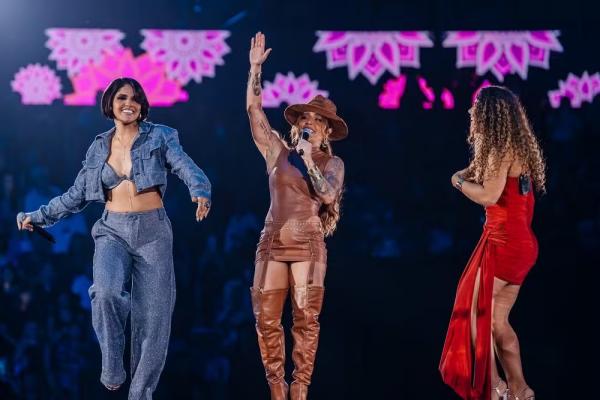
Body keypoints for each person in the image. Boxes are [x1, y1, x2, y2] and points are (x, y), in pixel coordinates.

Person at [16, 77, 211, 399]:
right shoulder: (98, 146)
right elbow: (76, 195)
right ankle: (112, 364)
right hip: (112, 230)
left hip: (153, 232)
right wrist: (37, 217)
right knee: (105, 292)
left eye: (135, 98)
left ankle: (140, 394)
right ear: (111, 103)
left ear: (142, 104)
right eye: (122, 97)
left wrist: (200, 190)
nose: (128, 103)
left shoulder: (160, 136)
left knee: (155, 318)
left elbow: (183, 164)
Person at [246, 32, 346, 400]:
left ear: (326, 131)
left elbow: (328, 193)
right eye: (304, 116)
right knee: (265, 318)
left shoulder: (330, 162)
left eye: (316, 120)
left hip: (307, 242)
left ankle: (300, 387)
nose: (308, 121)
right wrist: (255, 69)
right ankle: (277, 387)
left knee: (306, 318)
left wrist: (308, 158)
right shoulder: (278, 151)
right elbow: (255, 113)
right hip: (273, 241)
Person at [440, 86, 545, 400]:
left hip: (505, 244)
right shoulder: (519, 149)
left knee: (473, 315)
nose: (471, 113)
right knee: (498, 322)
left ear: (488, 115)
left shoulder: (501, 151)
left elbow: (487, 195)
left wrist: (458, 182)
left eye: (475, 108)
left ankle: (496, 388)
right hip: (522, 245)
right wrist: (469, 173)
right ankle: (521, 388)